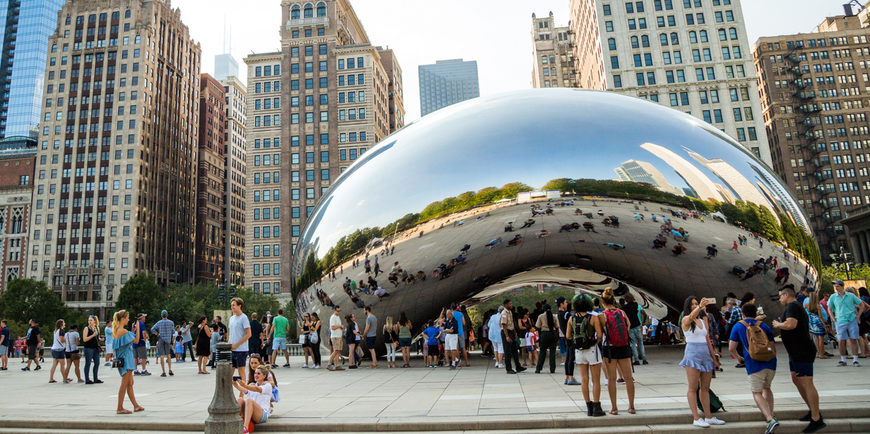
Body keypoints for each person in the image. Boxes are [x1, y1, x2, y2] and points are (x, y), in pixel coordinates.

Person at [772, 286, 825, 433]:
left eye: (780, 296)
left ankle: (817, 418)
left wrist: (778, 324)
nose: (780, 299)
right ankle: (812, 410)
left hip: (802, 351)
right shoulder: (794, 307)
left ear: (786, 295)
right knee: (796, 379)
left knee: (807, 382)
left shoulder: (793, 306)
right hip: (795, 351)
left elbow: (791, 324)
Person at [729, 303, 778, 434]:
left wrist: (738, 357)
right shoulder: (764, 325)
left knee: (756, 392)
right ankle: (771, 414)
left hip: (754, 363)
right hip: (770, 362)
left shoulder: (738, 326)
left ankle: (769, 419)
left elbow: (731, 347)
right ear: (756, 314)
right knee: (767, 388)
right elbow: (772, 345)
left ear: (743, 314)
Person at [680, 297, 725, 428]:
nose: (695, 306)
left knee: (705, 387)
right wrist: (699, 306)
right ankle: (696, 417)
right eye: (693, 304)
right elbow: (689, 319)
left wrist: (714, 358)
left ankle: (709, 416)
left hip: (705, 353)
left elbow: (707, 339)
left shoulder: (701, 321)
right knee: (693, 387)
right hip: (693, 353)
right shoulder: (685, 319)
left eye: (696, 304)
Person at [566, 294, 606, 417]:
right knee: (596, 380)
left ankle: (588, 407)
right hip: (592, 350)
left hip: (579, 352)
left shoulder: (571, 318)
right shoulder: (593, 318)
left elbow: (568, 336)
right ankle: (596, 407)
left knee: (584, 379)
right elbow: (599, 335)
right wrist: (594, 342)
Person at [598, 287, 636, 415]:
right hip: (624, 347)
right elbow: (628, 325)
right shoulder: (622, 312)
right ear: (614, 301)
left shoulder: (601, 315)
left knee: (612, 378)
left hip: (609, 349)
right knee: (628, 378)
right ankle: (631, 406)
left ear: (602, 302)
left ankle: (614, 408)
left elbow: (600, 333)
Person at [827, 280, 868, 367]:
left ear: (842, 286)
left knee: (854, 339)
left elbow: (862, 304)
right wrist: (833, 318)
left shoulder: (850, 296)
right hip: (840, 320)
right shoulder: (833, 297)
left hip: (851, 319)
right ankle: (843, 359)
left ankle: (855, 359)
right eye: (835, 286)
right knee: (841, 341)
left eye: (838, 286)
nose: (836, 288)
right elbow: (829, 308)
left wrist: (858, 315)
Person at [112, 310, 144, 414]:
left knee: (130, 383)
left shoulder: (117, 330)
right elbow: (136, 340)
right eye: (127, 317)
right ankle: (119, 407)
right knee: (125, 383)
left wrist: (133, 329)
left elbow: (127, 341)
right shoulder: (123, 331)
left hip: (124, 358)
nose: (128, 319)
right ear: (123, 319)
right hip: (126, 360)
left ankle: (136, 405)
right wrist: (137, 328)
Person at [233, 365, 274, 433]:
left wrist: (245, 385)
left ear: (264, 376)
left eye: (258, 373)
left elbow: (257, 389)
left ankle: (245, 428)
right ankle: (234, 423)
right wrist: (236, 385)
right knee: (240, 399)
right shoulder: (252, 385)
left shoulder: (267, 386)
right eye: (255, 373)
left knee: (249, 401)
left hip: (262, 414)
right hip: (249, 412)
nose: (256, 375)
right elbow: (245, 390)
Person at [229, 297, 252, 382]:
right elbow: (230, 334)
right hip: (232, 349)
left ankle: (242, 393)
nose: (232, 307)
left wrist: (237, 344)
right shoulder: (231, 319)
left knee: (241, 372)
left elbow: (248, 334)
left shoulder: (244, 318)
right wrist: (229, 344)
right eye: (231, 305)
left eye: (233, 305)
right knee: (229, 372)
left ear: (239, 306)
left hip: (241, 349)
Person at [500, 299, 525, 374]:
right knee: (507, 351)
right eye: (510, 304)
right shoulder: (504, 313)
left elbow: (512, 324)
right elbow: (504, 325)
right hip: (506, 332)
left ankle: (518, 366)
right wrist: (507, 336)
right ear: (506, 305)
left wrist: (515, 334)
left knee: (515, 350)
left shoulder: (510, 312)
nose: (511, 305)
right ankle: (509, 368)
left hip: (511, 332)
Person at [622, 293, 648, 366]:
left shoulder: (625, 307)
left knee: (633, 343)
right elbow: (642, 313)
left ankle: (636, 360)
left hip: (630, 326)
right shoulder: (636, 305)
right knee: (640, 342)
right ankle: (644, 359)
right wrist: (643, 322)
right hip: (637, 325)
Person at [804, 292, 830, 360]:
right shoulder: (818, 305)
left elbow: (803, 310)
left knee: (816, 338)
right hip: (818, 322)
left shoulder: (808, 305)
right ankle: (822, 354)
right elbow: (820, 316)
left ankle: (818, 353)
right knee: (821, 339)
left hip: (812, 322)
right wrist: (824, 325)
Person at [535, 304, 559, 374]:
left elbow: (537, 326)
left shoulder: (541, 316)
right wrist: (557, 337)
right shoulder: (554, 316)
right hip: (553, 333)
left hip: (545, 334)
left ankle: (538, 368)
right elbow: (557, 327)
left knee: (542, 351)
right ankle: (552, 368)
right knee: (552, 352)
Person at [150, 310, 175, 377]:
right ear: (167, 315)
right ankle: (170, 369)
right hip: (168, 340)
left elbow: (152, 329)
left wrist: (157, 334)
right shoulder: (171, 322)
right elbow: (173, 331)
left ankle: (163, 371)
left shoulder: (159, 323)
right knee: (168, 355)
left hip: (161, 338)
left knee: (161, 355)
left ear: (161, 316)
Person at [49, 319, 69, 383]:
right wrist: (67, 340)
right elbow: (61, 339)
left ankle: (51, 378)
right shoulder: (61, 331)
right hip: (59, 349)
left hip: (54, 349)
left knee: (54, 364)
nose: (65, 324)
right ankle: (64, 379)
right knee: (62, 365)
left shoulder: (55, 331)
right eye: (64, 323)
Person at [328, 306, 346, 371]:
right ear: (334, 311)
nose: (339, 312)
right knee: (336, 350)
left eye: (339, 311)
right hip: (335, 336)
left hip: (338, 336)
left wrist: (341, 329)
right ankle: (329, 363)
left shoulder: (337, 317)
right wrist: (340, 326)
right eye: (337, 311)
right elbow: (332, 327)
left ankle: (337, 365)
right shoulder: (333, 317)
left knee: (338, 351)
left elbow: (336, 326)